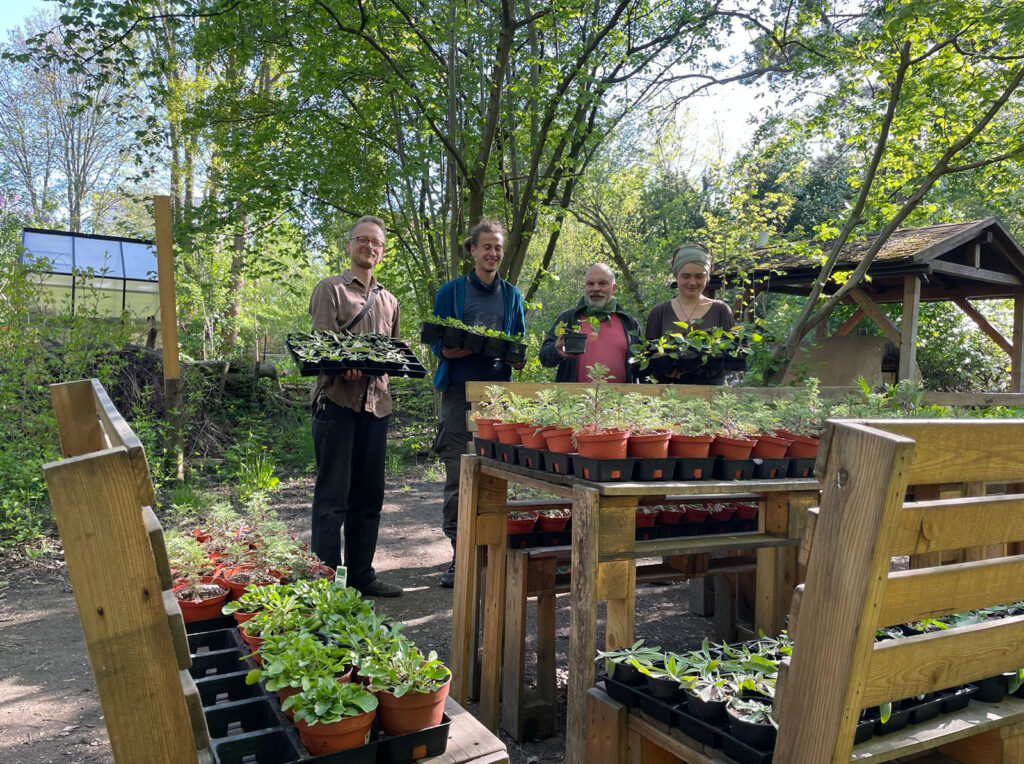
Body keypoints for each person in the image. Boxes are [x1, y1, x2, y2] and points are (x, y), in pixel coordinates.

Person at [308, 215, 403, 598]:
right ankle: (329, 582)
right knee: (332, 497)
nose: (369, 247)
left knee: (369, 497)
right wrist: (342, 365)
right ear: (349, 245)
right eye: (362, 240)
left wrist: (372, 367)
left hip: (376, 407)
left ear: (381, 251)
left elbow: (393, 354)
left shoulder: (390, 300)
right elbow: (319, 346)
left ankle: (361, 575)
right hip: (336, 404)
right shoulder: (330, 289)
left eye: (376, 243)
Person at [431, 218, 526, 588]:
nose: (493, 253)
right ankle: (460, 552)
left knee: (495, 473)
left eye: (498, 247)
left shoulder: (511, 296)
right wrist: (446, 349)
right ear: (472, 250)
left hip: (498, 397)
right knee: (458, 473)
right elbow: (438, 341)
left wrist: (516, 358)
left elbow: (517, 342)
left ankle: (490, 549)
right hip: (458, 394)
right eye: (486, 246)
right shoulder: (451, 292)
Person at [645, 242, 734, 385]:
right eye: (686, 276)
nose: (692, 282)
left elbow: (731, 359)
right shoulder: (659, 313)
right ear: (676, 275)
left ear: (708, 275)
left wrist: (708, 368)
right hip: (668, 396)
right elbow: (648, 358)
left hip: (713, 395)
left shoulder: (721, 310)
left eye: (699, 276)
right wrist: (664, 369)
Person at [539, 263, 643, 382]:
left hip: (622, 399)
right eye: (590, 284)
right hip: (574, 399)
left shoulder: (629, 323)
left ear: (614, 288)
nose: (596, 288)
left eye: (602, 283)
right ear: (585, 287)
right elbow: (544, 358)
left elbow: (643, 369)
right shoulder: (568, 318)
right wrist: (555, 350)